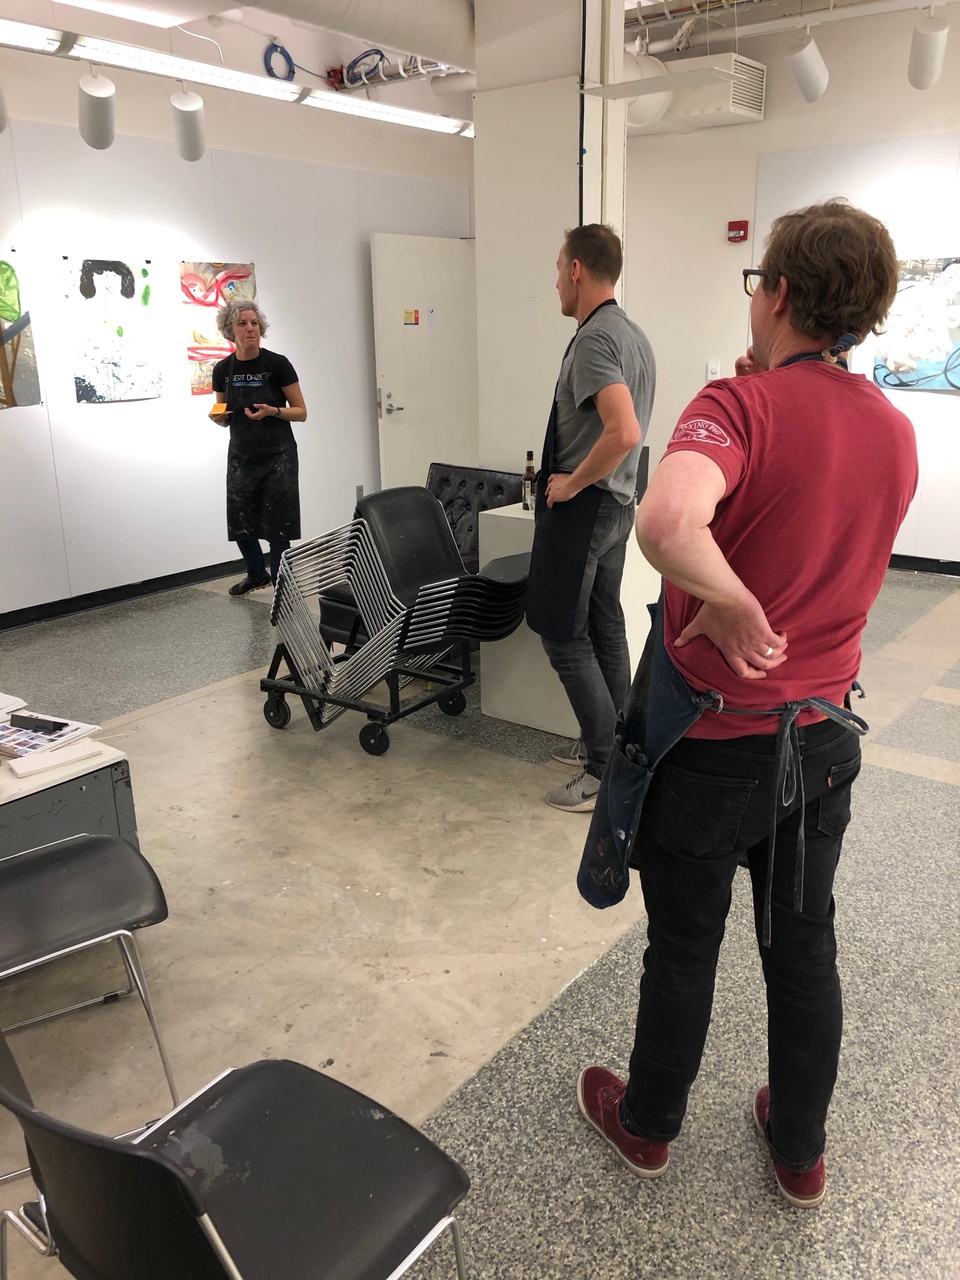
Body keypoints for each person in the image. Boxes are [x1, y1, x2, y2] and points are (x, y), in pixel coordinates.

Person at [576, 200, 918, 1208]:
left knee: (685, 944)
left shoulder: (736, 404)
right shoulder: (896, 432)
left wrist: (726, 597)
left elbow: (671, 516)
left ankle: (648, 1126)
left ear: (775, 291)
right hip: (819, 740)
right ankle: (800, 1147)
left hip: (713, 744)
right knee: (803, 946)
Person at [526, 224, 655, 813]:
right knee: (605, 624)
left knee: (562, 635)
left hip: (587, 507)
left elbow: (624, 431)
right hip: (620, 504)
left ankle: (603, 769)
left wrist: (572, 482)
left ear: (577, 269)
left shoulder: (596, 340)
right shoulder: (633, 336)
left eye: (558, 268)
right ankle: (615, 746)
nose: (556, 280)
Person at [210, 300, 307, 595]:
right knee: (241, 520)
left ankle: (281, 586)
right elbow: (221, 413)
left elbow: (301, 411)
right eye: (243, 323)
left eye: (254, 323)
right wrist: (218, 417)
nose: (250, 328)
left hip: (279, 455)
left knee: (278, 523)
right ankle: (256, 574)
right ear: (230, 330)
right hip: (242, 454)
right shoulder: (222, 369)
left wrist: (273, 411)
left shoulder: (278, 364)